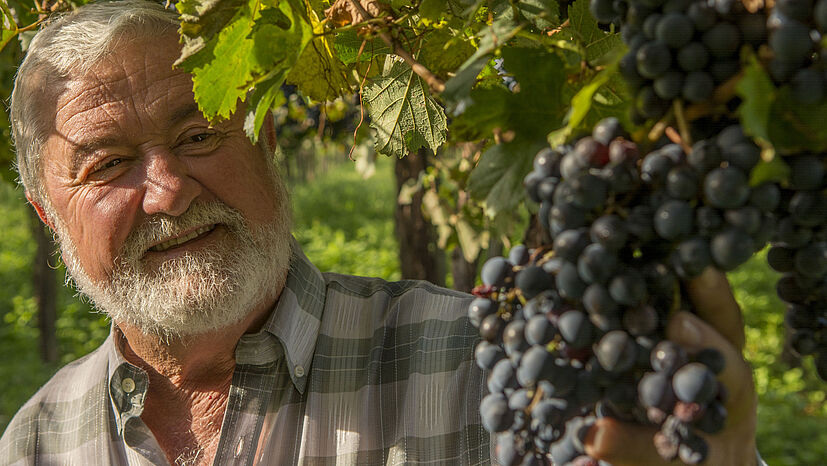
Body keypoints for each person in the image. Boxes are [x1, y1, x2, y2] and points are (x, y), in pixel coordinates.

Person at [0, 1, 761, 465]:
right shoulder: (34, 443)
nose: (166, 189)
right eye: (108, 164)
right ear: (48, 214)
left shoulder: (483, 360)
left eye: (200, 135)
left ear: (267, 146)